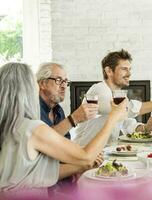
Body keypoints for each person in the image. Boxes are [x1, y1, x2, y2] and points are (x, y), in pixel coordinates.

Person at [0, 62, 127, 192]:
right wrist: (113, 117)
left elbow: (36, 172)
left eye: (65, 81)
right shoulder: (33, 128)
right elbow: (86, 156)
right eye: (34, 83)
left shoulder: (11, 126)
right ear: (28, 90)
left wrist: (80, 166)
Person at [74, 49, 152, 146]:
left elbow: (126, 124)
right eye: (124, 69)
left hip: (105, 154)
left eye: (129, 69)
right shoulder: (99, 90)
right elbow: (123, 111)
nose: (129, 74)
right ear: (109, 71)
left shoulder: (119, 95)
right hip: (82, 154)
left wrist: (146, 127)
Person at [36, 62, 99, 139]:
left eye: (65, 81)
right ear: (43, 84)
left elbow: (66, 140)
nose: (64, 86)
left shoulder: (58, 110)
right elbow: (43, 142)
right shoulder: (32, 109)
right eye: (58, 80)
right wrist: (74, 118)